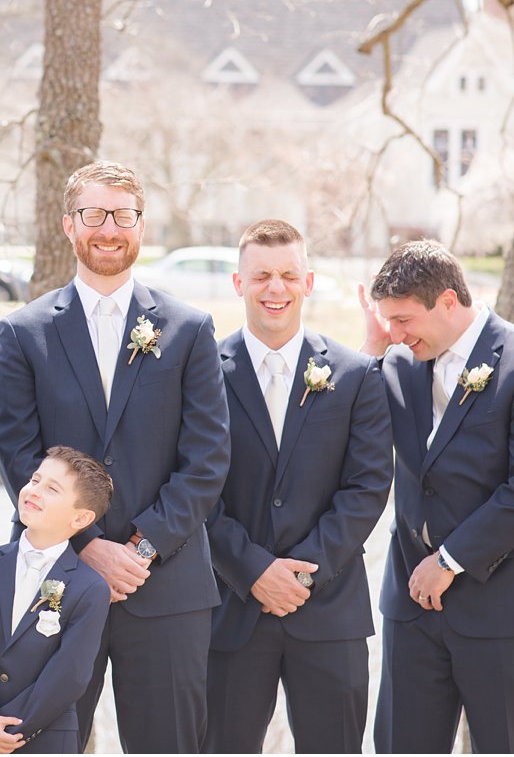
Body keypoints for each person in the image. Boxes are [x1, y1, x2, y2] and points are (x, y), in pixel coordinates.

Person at [0, 160, 230, 753]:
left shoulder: (189, 329)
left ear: (141, 227)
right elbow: (19, 453)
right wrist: (88, 544)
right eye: (94, 214)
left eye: (123, 216)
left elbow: (207, 457)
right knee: (45, 742)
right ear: (68, 226)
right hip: (57, 580)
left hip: (166, 584)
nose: (109, 228)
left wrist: (139, 550)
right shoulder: (25, 332)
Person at [361, 239, 514, 753]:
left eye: (403, 319)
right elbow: (343, 422)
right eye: (387, 320)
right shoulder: (396, 362)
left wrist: (450, 559)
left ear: (446, 302)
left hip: (505, 601)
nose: (395, 333)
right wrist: (374, 347)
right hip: (413, 606)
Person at [204, 220, 392, 753]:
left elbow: (368, 487)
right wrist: (254, 570)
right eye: (261, 275)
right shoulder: (200, 373)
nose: (276, 287)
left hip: (330, 611)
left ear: (308, 283)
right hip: (230, 610)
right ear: (239, 284)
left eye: (289, 274)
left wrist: (301, 574)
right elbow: (194, 487)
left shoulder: (356, 376)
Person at [0, 446, 113, 755]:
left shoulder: (90, 588)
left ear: (82, 517)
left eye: (52, 488)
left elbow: (70, 673)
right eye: (35, 480)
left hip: (43, 737)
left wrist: (9, 731)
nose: (34, 491)